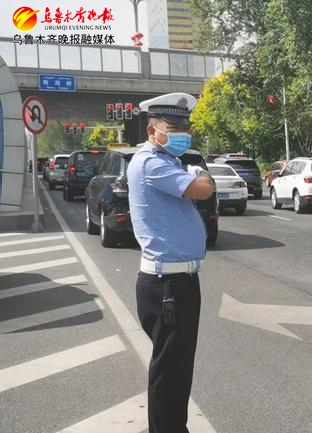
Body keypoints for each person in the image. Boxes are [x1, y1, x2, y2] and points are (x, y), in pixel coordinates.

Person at [127, 92, 215, 433]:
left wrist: (197, 174)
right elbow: (203, 189)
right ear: (152, 131)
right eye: (173, 126)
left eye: (184, 126)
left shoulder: (164, 161)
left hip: (175, 284)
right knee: (169, 374)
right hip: (169, 287)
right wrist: (200, 175)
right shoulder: (152, 163)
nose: (182, 132)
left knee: (175, 371)